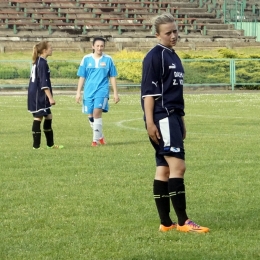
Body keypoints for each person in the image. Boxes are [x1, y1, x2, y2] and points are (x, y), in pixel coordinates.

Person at [141, 13, 209, 233]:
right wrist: (150, 122)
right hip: (162, 116)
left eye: (175, 31)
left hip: (173, 116)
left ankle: (166, 223)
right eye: (168, 32)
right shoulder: (155, 56)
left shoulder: (173, 56)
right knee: (178, 166)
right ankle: (183, 222)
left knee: (164, 168)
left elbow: (174, 92)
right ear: (157, 35)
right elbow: (148, 94)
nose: (173, 36)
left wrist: (181, 120)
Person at [76, 37, 120, 146]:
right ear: (93, 46)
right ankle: (100, 136)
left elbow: (112, 76)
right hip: (88, 91)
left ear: (104, 47)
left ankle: (94, 141)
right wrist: (78, 92)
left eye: (102, 46)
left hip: (102, 90)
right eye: (97, 46)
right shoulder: (86, 59)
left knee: (97, 112)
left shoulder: (108, 59)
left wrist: (115, 93)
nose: (99, 48)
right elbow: (82, 77)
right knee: (90, 116)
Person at [27, 41, 63, 150]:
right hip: (39, 95)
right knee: (38, 117)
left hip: (37, 94)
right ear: (44, 50)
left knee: (49, 116)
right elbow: (43, 83)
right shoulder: (41, 62)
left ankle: (50, 145)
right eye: (50, 47)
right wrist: (50, 98)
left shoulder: (39, 61)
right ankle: (36, 146)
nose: (52, 49)